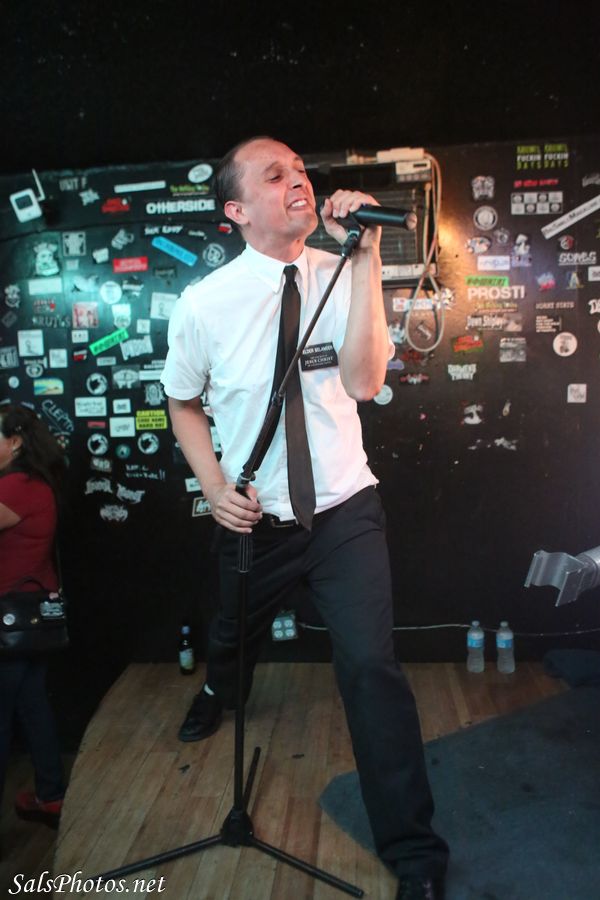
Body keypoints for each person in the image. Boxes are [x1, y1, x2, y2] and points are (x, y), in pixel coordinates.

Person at [160, 136, 449, 900]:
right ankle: (220, 690)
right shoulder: (205, 304)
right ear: (236, 210)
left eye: (300, 172)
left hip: (344, 512)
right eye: (275, 175)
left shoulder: (342, 267)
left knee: (370, 668)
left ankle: (415, 852)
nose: (299, 183)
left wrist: (366, 256)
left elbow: (364, 380)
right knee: (233, 634)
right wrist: (213, 485)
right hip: (257, 519)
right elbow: (182, 403)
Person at [0, 403, 67, 828]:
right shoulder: (34, 482)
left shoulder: (15, 487)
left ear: (15, 442)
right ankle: (50, 795)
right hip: (32, 620)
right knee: (32, 705)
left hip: (10, 621)